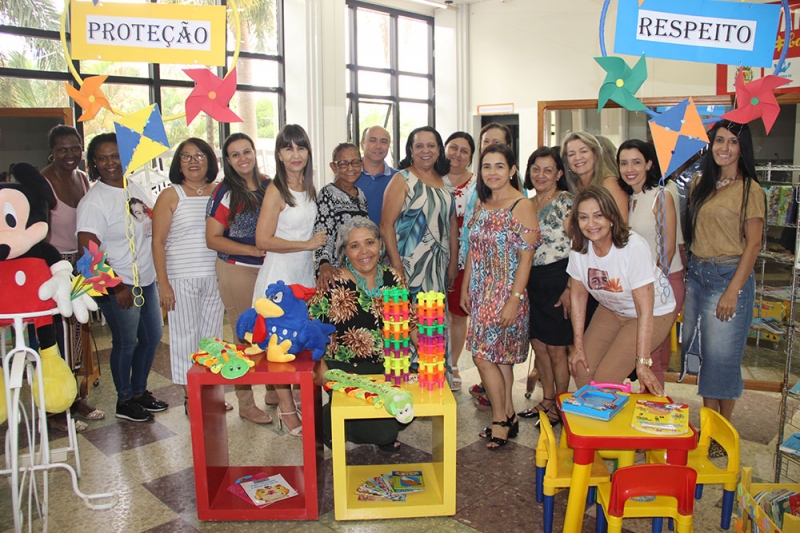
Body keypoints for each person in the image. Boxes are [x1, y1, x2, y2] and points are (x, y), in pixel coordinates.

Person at [681, 120, 765, 434]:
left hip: (729, 277)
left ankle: (722, 432)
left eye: (732, 142)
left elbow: (754, 244)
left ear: (743, 148)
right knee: (705, 356)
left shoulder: (750, 189)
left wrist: (733, 290)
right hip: (698, 275)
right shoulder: (701, 184)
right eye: (719, 141)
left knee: (723, 360)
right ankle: (709, 425)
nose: (724, 148)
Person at [77, 133, 167, 423]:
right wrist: (115, 287)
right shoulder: (94, 201)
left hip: (146, 280)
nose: (110, 163)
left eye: (115, 156)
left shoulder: (136, 186)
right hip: (119, 285)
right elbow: (87, 253)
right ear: (94, 162)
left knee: (152, 337)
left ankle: (140, 393)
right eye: (102, 158)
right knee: (126, 342)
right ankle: (124, 399)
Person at [460, 144, 539, 449]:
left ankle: (498, 420)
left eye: (499, 166)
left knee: (482, 357)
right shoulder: (482, 202)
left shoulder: (521, 205)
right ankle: (509, 414)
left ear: (512, 170)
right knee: (500, 360)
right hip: (481, 292)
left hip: (506, 293)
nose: (492, 173)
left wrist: (514, 300)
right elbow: (474, 251)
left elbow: (526, 258)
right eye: (487, 166)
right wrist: (466, 286)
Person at [567, 186, 675, 398]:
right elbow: (578, 295)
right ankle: (597, 420)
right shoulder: (579, 245)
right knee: (581, 368)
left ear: (611, 217)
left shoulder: (632, 247)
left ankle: (607, 426)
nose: (591, 224)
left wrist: (642, 363)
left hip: (652, 313)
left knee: (605, 380)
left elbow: (645, 310)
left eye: (598, 215)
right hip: (611, 309)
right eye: (583, 217)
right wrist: (577, 346)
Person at [310, 217, 408, 450]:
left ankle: (353, 419)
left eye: (370, 242)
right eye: (354, 246)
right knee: (385, 434)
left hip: (388, 367)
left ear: (380, 246)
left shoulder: (393, 277)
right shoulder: (332, 283)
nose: (364, 251)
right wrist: (320, 365)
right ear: (344, 252)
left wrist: (427, 360)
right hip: (346, 370)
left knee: (408, 412)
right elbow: (312, 328)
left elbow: (410, 322)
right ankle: (329, 419)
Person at [255, 124, 326, 437]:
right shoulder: (276, 190)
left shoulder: (309, 187)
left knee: (297, 343)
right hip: (280, 277)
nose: (295, 155)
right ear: (279, 155)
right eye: (288, 148)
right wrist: (307, 245)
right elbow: (263, 239)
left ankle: (298, 400)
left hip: (303, 274)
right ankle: (286, 409)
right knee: (278, 343)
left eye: (301, 148)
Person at [152, 138, 225, 414]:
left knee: (212, 338)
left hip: (215, 275)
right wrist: (164, 283)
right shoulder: (171, 195)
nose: (193, 161)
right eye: (186, 157)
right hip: (181, 278)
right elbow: (157, 242)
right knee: (185, 337)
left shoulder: (220, 191)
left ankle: (210, 395)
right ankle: (190, 397)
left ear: (209, 160)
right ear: (178, 163)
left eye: (199, 155)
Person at [381, 126, 458, 386]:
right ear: (410, 151)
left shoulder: (445, 180)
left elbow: (451, 226)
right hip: (407, 266)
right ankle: (405, 389)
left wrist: (451, 265)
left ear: (439, 150)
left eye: (431, 145)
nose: (426, 151)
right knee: (406, 327)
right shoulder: (402, 179)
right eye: (419, 146)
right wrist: (397, 267)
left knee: (433, 326)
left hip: (436, 268)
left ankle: (434, 384)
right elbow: (386, 225)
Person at [206, 132, 272, 425]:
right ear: (228, 161)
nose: (242, 158)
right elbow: (212, 239)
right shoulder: (224, 191)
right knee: (245, 335)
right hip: (237, 269)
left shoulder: (270, 185)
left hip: (269, 270)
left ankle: (274, 389)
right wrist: (251, 249)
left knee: (272, 331)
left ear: (255, 153)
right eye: (235, 154)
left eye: (247, 151)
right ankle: (246, 401)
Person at [40, 125, 103, 431]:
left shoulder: (83, 179)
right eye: (62, 149)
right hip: (50, 268)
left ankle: (76, 397)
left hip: (80, 263)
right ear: (51, 151)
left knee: (78, 333)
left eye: (75, 148)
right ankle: (55, 409)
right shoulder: (41, 183)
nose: (70, 155)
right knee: (55, 336)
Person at [617, 139, 685, 385]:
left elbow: (666, 252)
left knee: (651, 356)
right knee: (646, 353)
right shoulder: (629, 197)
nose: (629, 169)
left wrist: (651, 288)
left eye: (636, 162)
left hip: (662, 282)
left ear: (649, 164)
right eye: (624, 163)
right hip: (640, 285)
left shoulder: (661, 196)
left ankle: (655, 414)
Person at [517, 147, 573, 426]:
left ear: (559, 174)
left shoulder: (565, 202)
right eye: (536, 169)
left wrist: (571, 287)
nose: (540, 175)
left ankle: (561, 405)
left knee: (556, 348)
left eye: (548, 170)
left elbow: (580, 245)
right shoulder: (527, 203)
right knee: (538, 345)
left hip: (558, 278)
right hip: (532, 279)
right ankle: (547, 398)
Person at [444, 131, 476, 392]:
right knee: (427, 312)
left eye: (464, 150)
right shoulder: (433, 177)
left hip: (465, 255)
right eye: (453, 147)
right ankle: (429, 361)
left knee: (457, 313)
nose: (457, 154)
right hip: (432, 253)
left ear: (471, 157)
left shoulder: (477, 184)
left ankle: (452, 363)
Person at [314, 142, 368, 290]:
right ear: (333, 167)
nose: (350, 168)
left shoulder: (361, 194)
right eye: (343, 164)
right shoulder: (328, 193)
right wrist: (324, 264)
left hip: (359, 268)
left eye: (355, 162)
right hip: (335, 272)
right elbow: (323, 231)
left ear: (361, 164)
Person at [562, 131, 628, 222]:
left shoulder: (610, 184)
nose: (577, 158)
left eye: (584, 151)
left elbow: (622, 225)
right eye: (571, 154)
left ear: (596, 155)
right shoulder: (574, 186)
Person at [355, 126, 397, 225]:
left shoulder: (398, 178)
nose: (378, 146)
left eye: (383, 141)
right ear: (362, 144)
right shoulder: (349, 176)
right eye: (373, 140)